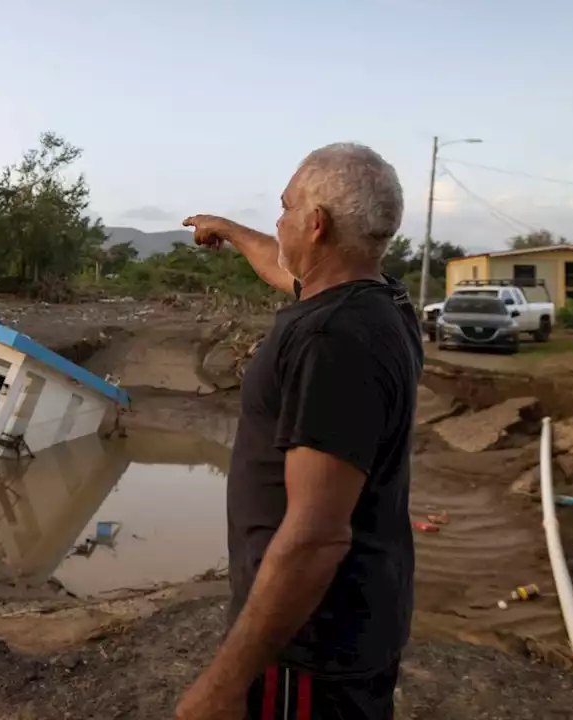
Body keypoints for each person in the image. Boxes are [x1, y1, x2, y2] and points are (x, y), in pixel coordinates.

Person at [175, 143, 422, 720]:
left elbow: (316, 536)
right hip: (345, 625)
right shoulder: (374, 301)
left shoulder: (333, 341)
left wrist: (223, 684)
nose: (277, 221)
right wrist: (230, 230)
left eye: (284, 209)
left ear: (315, 225)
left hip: (309, 651)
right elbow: (282, 267)